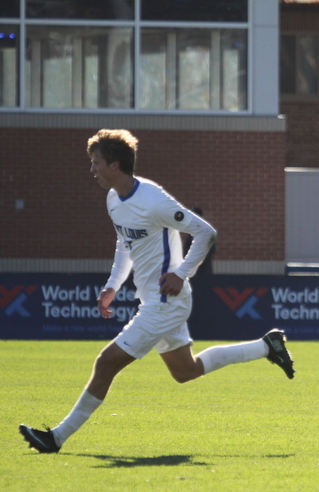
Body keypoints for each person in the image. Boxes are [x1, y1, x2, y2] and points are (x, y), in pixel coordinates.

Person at [19, 129, 295, 454]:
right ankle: (267, 346)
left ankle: (56, 438)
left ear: (115, 165)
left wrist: (181, 273)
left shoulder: (152, 200)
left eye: (96, 163)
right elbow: (125, 243)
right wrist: (112, 286)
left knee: (106, 362)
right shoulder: (113, 199)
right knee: (185, 371)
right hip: (154, 299)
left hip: (167, 301)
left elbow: (206, 233)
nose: (92, 169)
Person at [183, 206, 215, 276]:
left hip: (203, 272)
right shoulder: (192, 232)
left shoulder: (204, 230)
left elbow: (211, 249)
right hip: (192, 272)